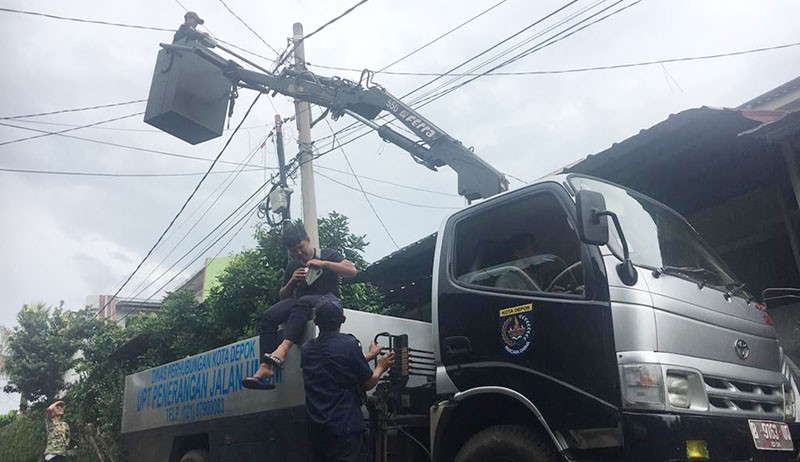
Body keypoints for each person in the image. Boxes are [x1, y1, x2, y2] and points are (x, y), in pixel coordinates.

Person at [242, 223, 357, 390]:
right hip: (302, 305)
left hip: (329, 302)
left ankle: (282, 350)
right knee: (269, 316)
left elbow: (352, 270)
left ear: (308, 240)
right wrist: (292, 281)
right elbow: (283, 297)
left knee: (303, 302)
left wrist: (324, 264)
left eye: (301, 247)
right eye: (294, 251)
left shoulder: (328, 254)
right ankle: (265, 368)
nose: (299, 253)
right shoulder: (293, 265)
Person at [301, 297, 395, 462]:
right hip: (344, 427)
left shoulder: (307, 349)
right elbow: (367, 383)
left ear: (316, 321)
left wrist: (369, 355)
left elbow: (335, 366)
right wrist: (381, 366)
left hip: (316, 430)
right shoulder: (349, 343)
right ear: (343, 319)